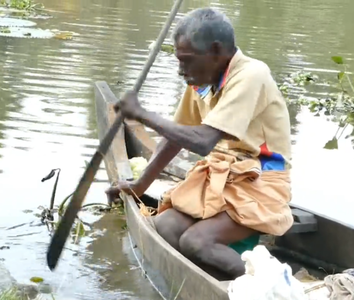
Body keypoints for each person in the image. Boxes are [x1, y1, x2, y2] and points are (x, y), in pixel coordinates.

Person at [105, 7, 294, 280]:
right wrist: (139, 186)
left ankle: (274, 287)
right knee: (165, 227)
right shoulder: (202, 80)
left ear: (216, 51)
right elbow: (175, 137)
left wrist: (143, 114)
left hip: (261, 182)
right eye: (179, 61)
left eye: (187, 61)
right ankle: (215, 285)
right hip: (222, 175)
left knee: (196, 242)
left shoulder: (252, 74)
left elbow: (203, 140)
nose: (182, 71)